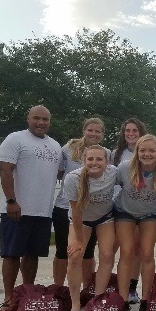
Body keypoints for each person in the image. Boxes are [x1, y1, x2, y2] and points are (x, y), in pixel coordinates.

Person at [0, 105, 62, 311]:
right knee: (12, 254)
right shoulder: (15, 139)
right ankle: (8, 297)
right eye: (36, 118)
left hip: (43, 210)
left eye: (45, 119)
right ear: (28, 119)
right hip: (17, 209)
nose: (41, 122)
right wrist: (11, 200)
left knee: (32, 255)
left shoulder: (55, 146)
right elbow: (5, 170)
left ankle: (26, 293)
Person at [114, 134, 156, 311]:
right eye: (143, 150)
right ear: (136, 152)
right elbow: (105, 182)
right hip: (125, 211)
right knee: (127, 252)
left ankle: (146, 301)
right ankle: (122, 301)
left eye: (151, 150)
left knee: (147, 253)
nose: (147, 154)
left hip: (150, 213)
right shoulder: (124, 168)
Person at [62, 145, 118, 311]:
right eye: (90, 159)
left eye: (99, 159)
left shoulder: (113, 173)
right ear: (83, 161)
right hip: (81, 221)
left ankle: (97, 300)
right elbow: (76, 212)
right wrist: (78, 240)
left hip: (105, 218)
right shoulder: (73, 178)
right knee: (74, 256)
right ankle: (75, 305)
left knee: (107, 256)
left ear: (107, 162)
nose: (95, 163)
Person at [51, 117, 107, 289]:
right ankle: (59, 290)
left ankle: (86, 289)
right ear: (84, 131)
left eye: (98, 131)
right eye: (90, 130)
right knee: (63, 251)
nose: (93, 133)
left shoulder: (106, 153)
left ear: (102, 134)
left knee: (87, 252)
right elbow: (59, 173)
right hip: (64, 207)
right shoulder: (68, 149)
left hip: (91, 212)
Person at [112, 118, 149, 305]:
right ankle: (117, 288)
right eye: (128, 130)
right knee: (114, 249)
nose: (131, 133)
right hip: (119, 206)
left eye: (135, 130)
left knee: (135, 249)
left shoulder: (148, 152)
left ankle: (132, 288)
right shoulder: (116, 154)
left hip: (140, 208)